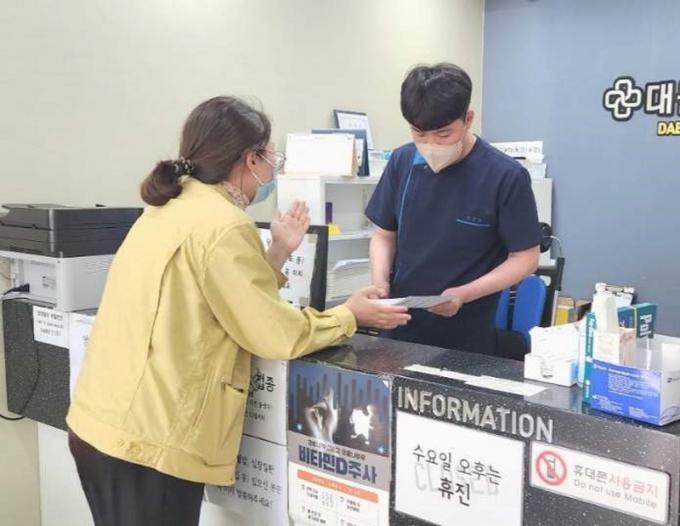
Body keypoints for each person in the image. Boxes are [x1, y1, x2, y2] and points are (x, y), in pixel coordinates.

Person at [66, 96, 410, 526]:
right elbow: (274, 334)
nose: (271, 171)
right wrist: (350, 316)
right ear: (250, 160)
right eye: (271, 159)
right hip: (149, 441)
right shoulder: (224, 225)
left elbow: (218, 296)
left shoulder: (168, 208)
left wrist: (278, 251)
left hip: (102, 422)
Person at [365, 63, 541, 356]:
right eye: (419, 133)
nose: (430, 145)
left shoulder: (505, 176)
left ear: (468, 119)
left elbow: (525, 258)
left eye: (443, 134)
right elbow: (384, 235)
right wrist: (380, 282)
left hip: (467, 334)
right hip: (399, 327)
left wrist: (463, 294)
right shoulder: (402, 162)